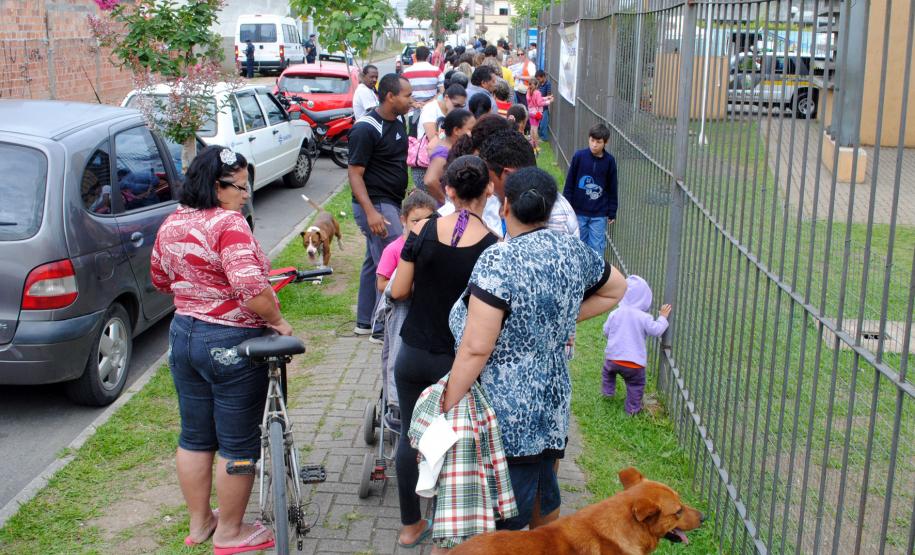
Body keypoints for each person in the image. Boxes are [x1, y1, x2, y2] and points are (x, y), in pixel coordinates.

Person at [442, 166, 627, 534]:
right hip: (552, 400)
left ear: (506, 205)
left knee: (504, 518)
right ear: (550, 207)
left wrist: (447, 403)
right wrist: (559, 321)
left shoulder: (500, 259)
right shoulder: (573, 250)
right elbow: (616, 288)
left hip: (506, 409)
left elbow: (477, 348)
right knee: (544, 484)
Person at [150, 146, 293, 553]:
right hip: (229, 342)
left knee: (195, 436)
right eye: (240, 186)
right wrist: (279, 322)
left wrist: (196, 290)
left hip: (183, 337)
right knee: (237, 442)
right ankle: (230, 531)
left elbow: (160, 278)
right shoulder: (228, 223)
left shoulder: (173, 221)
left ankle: (200, 524)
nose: (246, 194)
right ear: (217, 186)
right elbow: (250, 289)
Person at [390, 155, 499, 550]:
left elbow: (399, 290)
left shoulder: (423, 232)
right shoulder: (493, 246)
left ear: (447, 191)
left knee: (409, 436)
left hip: (413, 352)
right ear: (489, 189)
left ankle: (409, 526)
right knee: (454, 441)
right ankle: (450, 527)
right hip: (457, 361)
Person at [348, 74, 413, 341]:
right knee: (394, 264)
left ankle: (365, 321)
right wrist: (371, 212)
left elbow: (395, 163)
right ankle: (382, 328)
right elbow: (354, 174)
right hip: (376, 205)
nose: (411, 101)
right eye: (407, 96)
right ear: (390, 96)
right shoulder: (366, 128)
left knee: (372, 264)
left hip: (392, 202)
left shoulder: (398, 122)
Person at [375, 190, 438, 418]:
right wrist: (403, 286)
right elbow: (381, 283)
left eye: (427, 221)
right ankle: (395, 405)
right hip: (401, 311)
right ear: (403, 220)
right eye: (415, 221)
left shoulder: (433, 245)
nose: (421, 225)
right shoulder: (394, 249)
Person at [479, 128, 579, 238]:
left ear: (508, 174)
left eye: (490, 179)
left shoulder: (553, 218)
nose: (489, 188)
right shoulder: (523, 202)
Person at [602, 274, 671, 416]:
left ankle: (607, 392)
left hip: (613, 359)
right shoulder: (644, 317)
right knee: (635, 386)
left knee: (608, 374)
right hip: (634, 365)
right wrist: (663, 318)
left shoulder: (615, 313)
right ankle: (632, 410)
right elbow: (656, 330)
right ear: (646, 298)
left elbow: (606, 331)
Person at [562, 123, 618, 257]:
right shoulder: (579, 157)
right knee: (578, 245)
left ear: (606, 142)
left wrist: (612, 211)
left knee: (596, 249)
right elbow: (569, 183)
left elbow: (612, 187)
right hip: (578, 212)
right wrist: (567, 206)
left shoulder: (610, 161)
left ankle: (596, 277)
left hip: (599, 214)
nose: (594, 145)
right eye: (592, 140)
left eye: (598, 142)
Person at [423, 108, 475, 203]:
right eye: (470, 129)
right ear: (456, 130)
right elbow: (429, 181)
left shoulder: (454, 148)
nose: (472, 133)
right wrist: (447, 203)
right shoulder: (443, 152)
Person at [402, 45, 445, 136]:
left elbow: (402, 93)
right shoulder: (437, 71)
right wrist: (428, 103)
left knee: (414, 142)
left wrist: (414, 103)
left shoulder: (406, 72)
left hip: (413, 111)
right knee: (430, 138)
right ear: (428, 57)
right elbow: (442, 92)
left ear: (415, 56)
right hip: (432, 111)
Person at [526, 75, 553, 154]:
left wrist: (547, 97)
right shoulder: (537, 92)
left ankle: (532, 146)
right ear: (537, 85)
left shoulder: (528, 91)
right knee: (535, 130)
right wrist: (549, 101)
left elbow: (539, 99)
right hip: (537, 114)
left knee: (532, 129)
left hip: (530, 112)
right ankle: (537, 147)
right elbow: (539, 103)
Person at [535, 70, 551, 141]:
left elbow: (549, 96)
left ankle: (544, 138)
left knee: (543, 125)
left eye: (539, 79)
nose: (538, 80)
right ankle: (540, 136)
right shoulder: (539, 84)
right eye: (537, 79)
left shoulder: (548, 84)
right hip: (538, 107)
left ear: (543, 77)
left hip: (544, 108)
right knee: (539, 123)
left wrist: (543, 100)